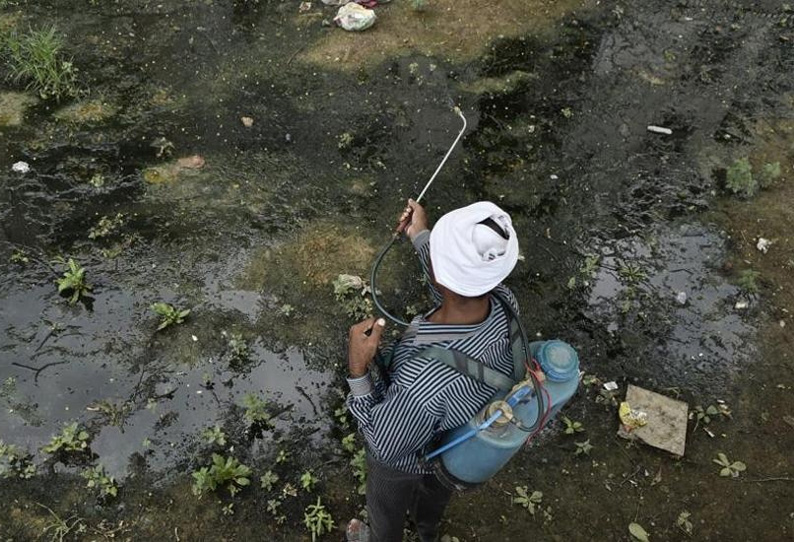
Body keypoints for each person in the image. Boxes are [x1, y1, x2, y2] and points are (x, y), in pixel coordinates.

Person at [345, 198, 521, 542]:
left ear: (442, 275)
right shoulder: (503, 301)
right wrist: (421, 235)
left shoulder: (420, 387)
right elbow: (458, 292)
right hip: (454, 444)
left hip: (404, 456)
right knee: (436, 490)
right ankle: (427, 530)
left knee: (384, 507)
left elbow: (384, 443)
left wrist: (358, 368)